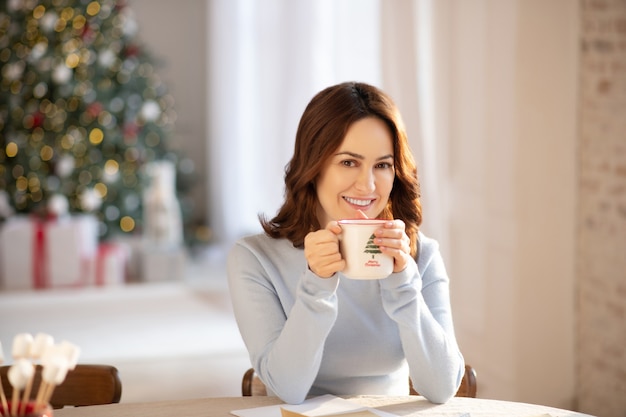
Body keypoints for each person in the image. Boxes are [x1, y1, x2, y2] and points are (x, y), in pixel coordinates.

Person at [227, 81, 464, 405]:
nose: (367, 185)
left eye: (382, 165)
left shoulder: (419, 255)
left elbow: (442, 387)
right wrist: (317, 285)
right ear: (313, 167)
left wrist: (403, 281)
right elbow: (287, 390)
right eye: (348, 162)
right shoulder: (255, 259)